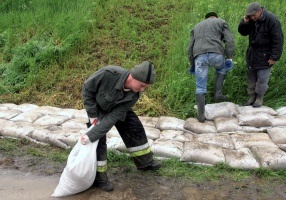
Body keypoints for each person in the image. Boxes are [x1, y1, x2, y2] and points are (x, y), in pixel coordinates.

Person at [80, 61, 162, 192]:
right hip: (97, 108)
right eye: (142, 86)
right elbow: (87, 88)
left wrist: (91, 134)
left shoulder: (134, 94)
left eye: (145, 87)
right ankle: (99, 178)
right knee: (98, 141)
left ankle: (145, 163)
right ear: (133, 77)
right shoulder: (108, 74)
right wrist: (92, 115)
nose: (142, 90)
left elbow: (113, 118)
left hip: (117, 110)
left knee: (135, 128)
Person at [187, 12, 235, 123]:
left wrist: (192, 63)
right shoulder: (221, 22)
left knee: (200, 87)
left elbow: (190, 47)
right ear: (215, 17)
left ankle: (200, 116)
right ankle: (218, 94)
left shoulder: (197, 26)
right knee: (222, 68)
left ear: (206, 18)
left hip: (200, 56)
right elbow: (229, 40)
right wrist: (229, 57)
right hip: (217, 55)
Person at [238, 2, 284, 107]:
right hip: (252, 54)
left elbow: (278, 40)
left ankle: (259, 98)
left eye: (254, 15)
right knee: (251, 77)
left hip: (266, 55)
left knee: (262, 79)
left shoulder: (272, 20)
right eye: (250, 16)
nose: (252, 17)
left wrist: (274, 57)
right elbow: (243, 32)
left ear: (260, 10)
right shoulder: (250, 19)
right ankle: (251, 97)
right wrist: (244, 22)